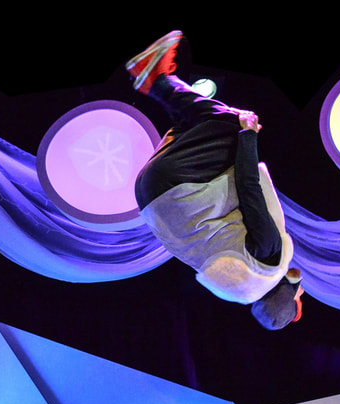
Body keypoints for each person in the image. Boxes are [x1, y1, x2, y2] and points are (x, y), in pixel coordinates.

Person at [128, 31, 304, 330]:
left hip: (179, 185)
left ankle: (155, 80)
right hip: (152, 196)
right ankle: (162, 82)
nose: (302, 293)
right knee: (195, 123)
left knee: (232, 122)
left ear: (287, 295)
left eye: (299, 297)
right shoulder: (231, 285)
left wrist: (248, 135)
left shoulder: (269, 258)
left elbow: (250, 189)